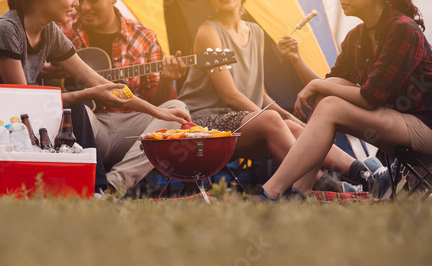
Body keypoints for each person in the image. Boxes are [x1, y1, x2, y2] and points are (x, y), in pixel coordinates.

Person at [0, 0, 190, 197]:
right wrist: (88, 94)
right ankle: (95, 186)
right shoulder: (6, 30)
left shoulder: (51, 33)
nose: (76, 3)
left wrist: (159, 113)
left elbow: (101, 84)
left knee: (71, 108)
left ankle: (98, 191)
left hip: (6, 112)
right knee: (72, 108)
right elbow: (23, 100)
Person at [178, 0, 372, 196]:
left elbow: (258, 93)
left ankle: (365, 172)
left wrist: (290, 119)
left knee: (297, 127)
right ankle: (326, 185)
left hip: (242, 124)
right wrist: (275, 118)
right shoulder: (208, 32)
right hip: (204, 126)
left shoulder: (256, 32)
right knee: (272, 120)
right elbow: (230, 96)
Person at [260, 0, 432, 200]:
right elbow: (328, 87)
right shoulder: (357, 37)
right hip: (394, 122)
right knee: (326, 97)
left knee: (330, 104)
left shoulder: (403, 30)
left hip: (424, 127)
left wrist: (319, 86)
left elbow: (369, 99)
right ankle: (300, 190)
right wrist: (295, 59)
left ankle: (270, 191)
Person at [39, 0, 189, 198]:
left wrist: (167, 80)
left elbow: (156, 102)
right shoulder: (60, 27)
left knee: (177, 110)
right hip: (87, 125)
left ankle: (112, 186)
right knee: (69, 108)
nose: (84, 8)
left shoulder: (144, 37)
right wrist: (42, 68)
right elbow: (30, 77)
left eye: (93, 1)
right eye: (81, 1)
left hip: (130, 129)